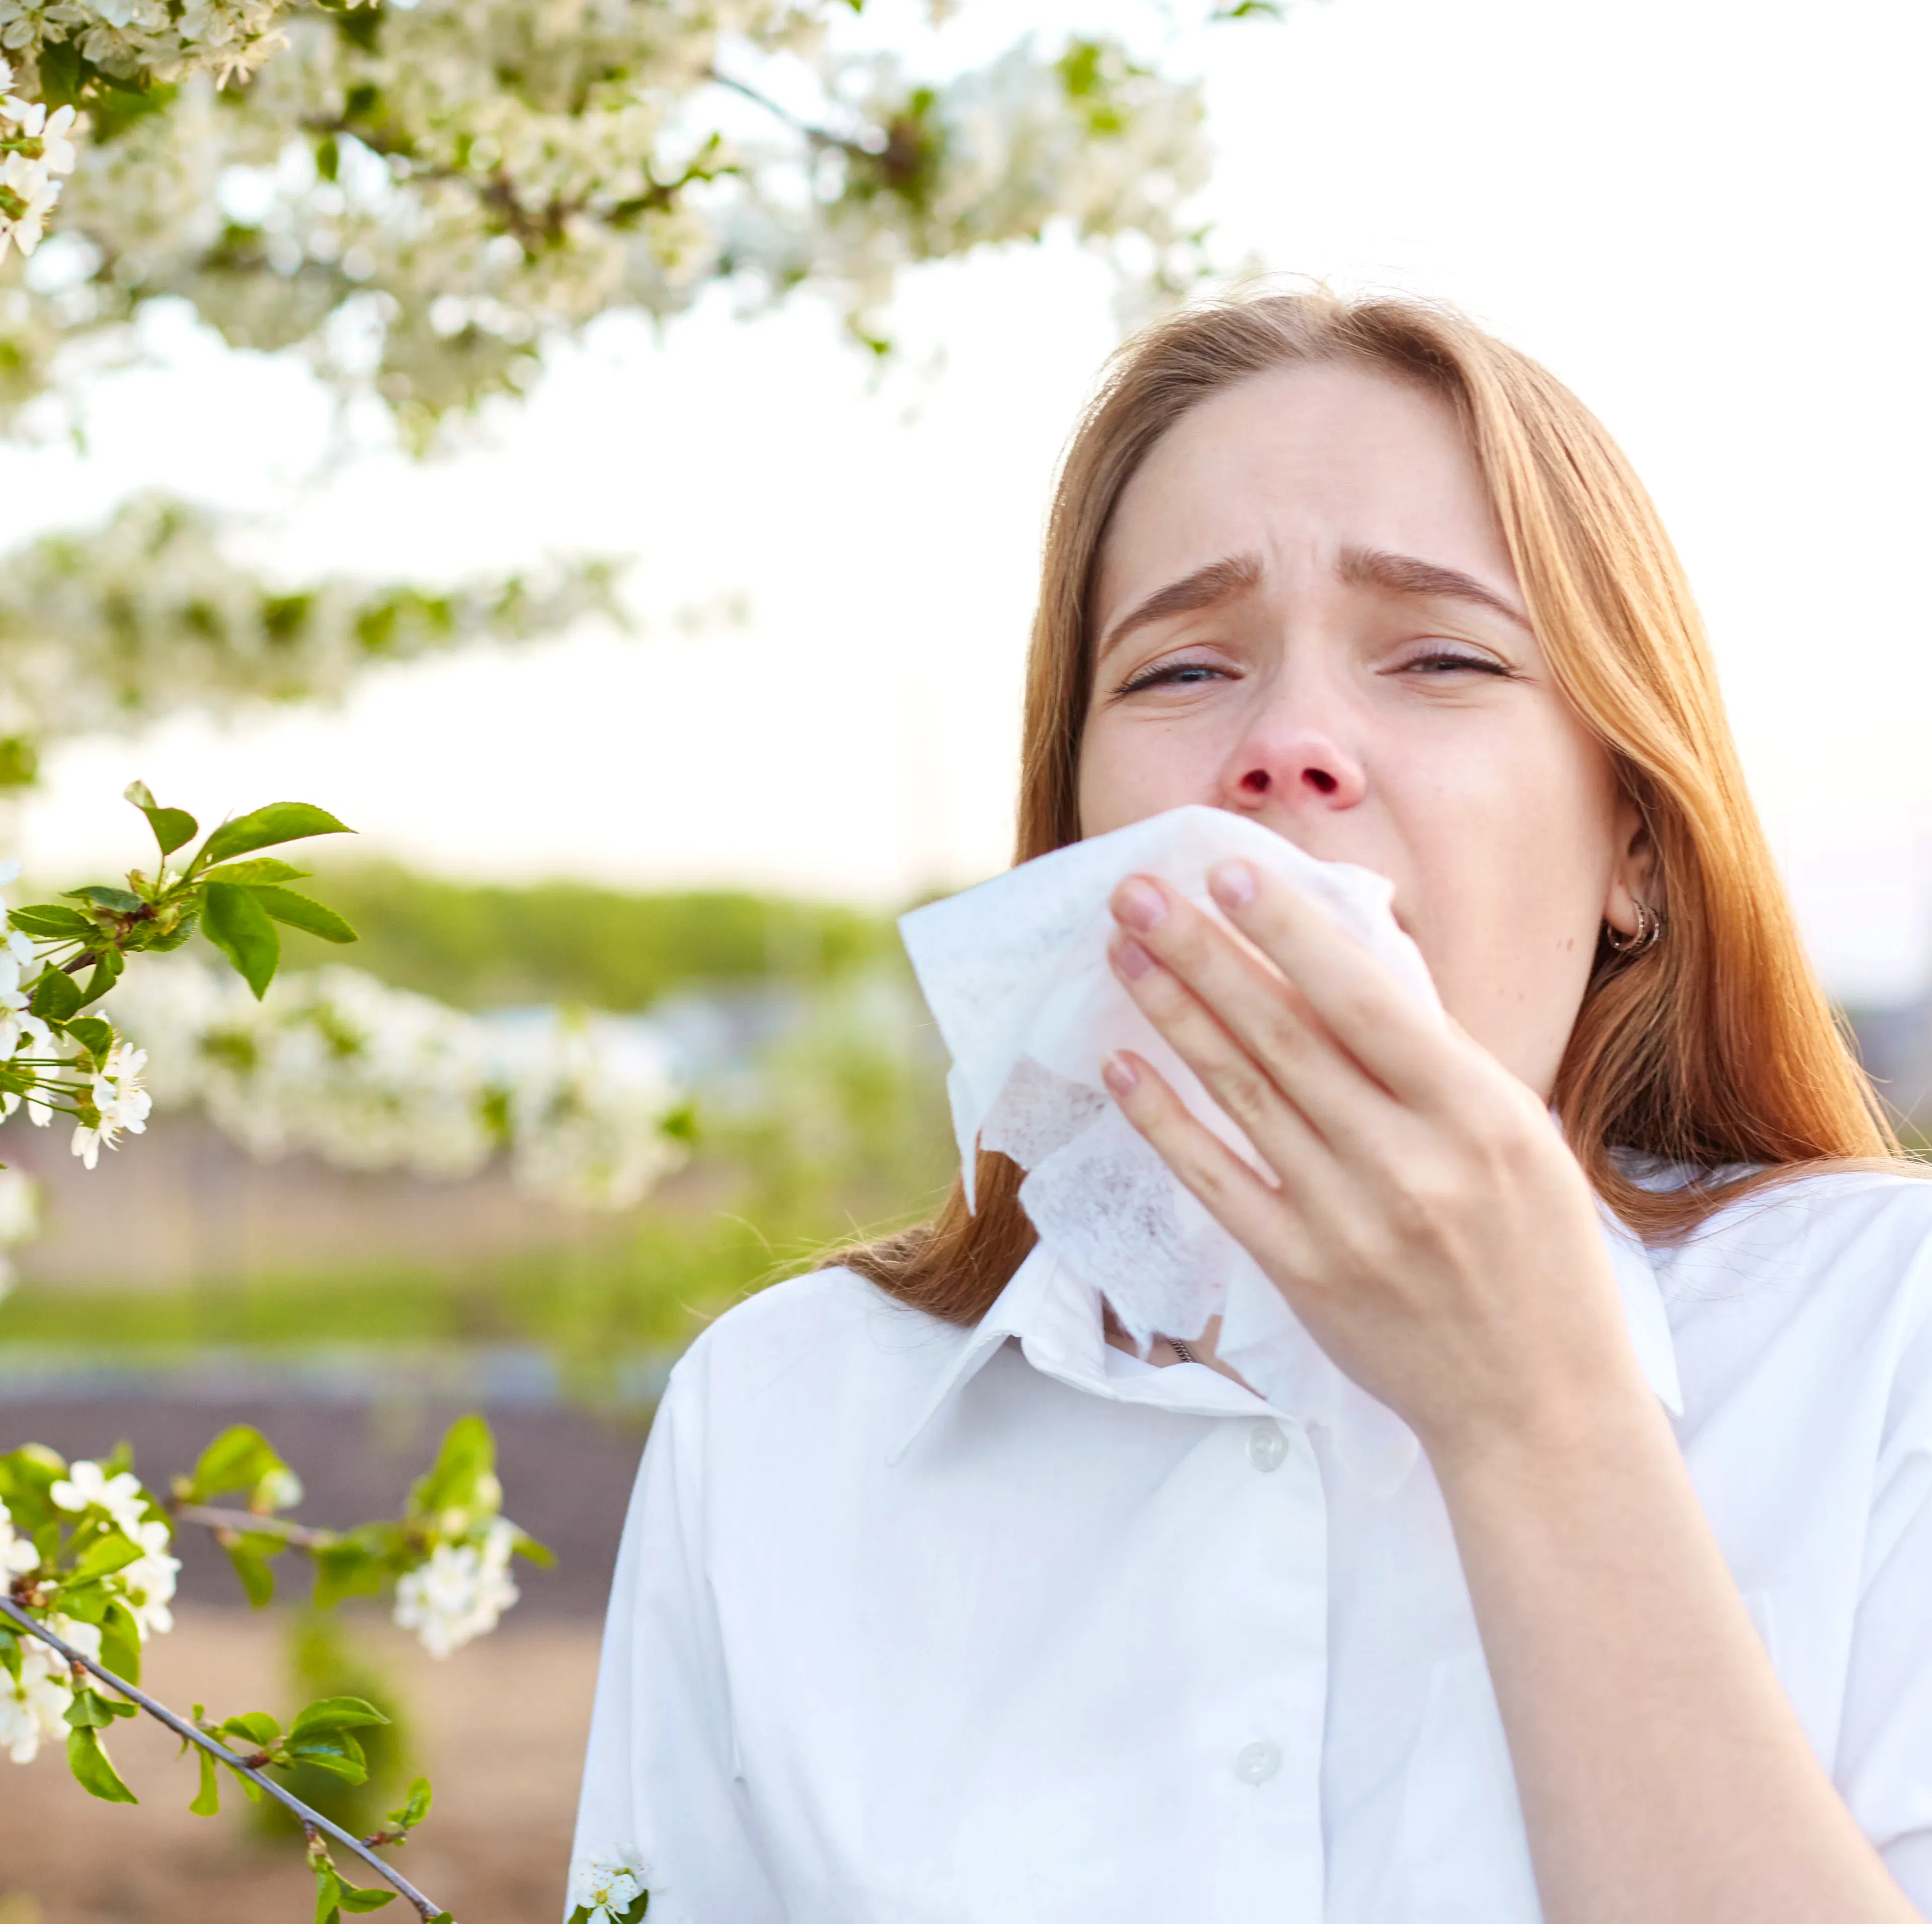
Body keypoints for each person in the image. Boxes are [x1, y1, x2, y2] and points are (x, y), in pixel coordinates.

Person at [567, 289, 1932, 1923]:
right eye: (1184, 667)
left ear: (1635, 843)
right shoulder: (778, 1422)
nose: (1288, 746)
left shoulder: (1886, 1337)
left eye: (1441, 655)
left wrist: (1536, 1415)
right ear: (1074, 826)